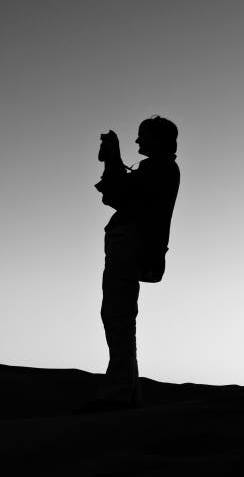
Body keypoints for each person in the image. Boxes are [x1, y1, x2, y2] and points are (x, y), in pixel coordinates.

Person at [89, 116, 180, 411]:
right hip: (128, 246)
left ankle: (118, 394)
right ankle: (127, 393)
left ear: (158, 140)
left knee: (118, 316)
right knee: (119, 316)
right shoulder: (157, 169)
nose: (138, 141)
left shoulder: (161, 169)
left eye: (143, 136)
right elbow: (119, 193)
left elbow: (119, 195)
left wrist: (113, 158)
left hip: (131, 246)